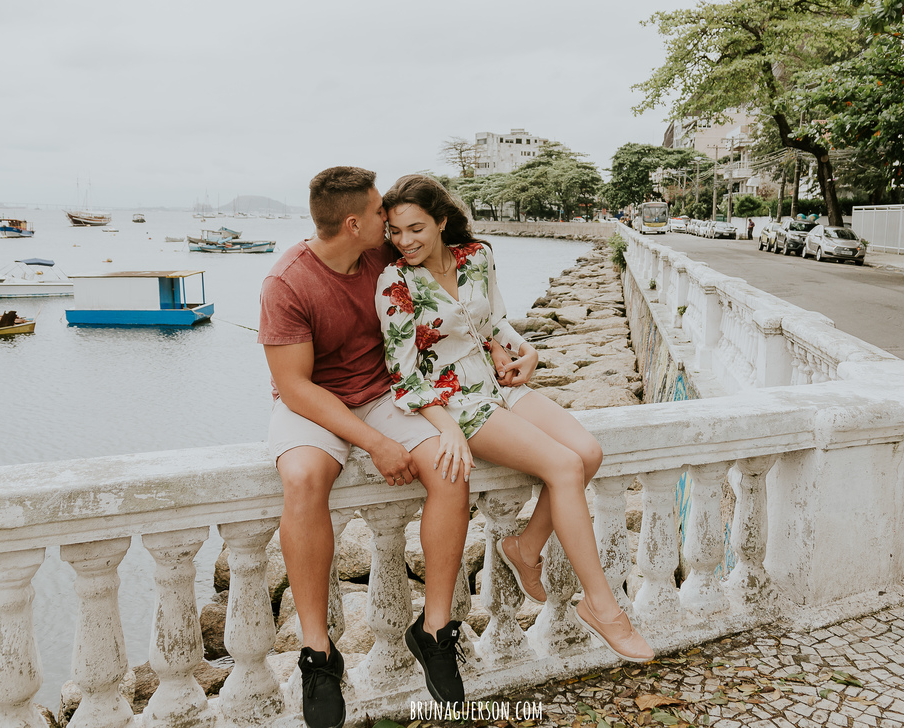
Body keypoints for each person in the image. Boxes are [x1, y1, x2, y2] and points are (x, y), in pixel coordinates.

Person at [375, 174, 654, 670]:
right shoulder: (395, 283)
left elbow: (492, 321)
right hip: (455, 400)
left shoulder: (476, 256)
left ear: (441, 221)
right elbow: (404, 378)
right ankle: (603, 606)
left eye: (415, 228)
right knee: (565, 467)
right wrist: (447, 428)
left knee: (588, 452)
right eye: (395, 232)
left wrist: (526, 348)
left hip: (499, 384)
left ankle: (525, 548)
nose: (405, 241)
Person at [259, 167, 470, 727]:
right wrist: (374, 443)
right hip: (314, 404)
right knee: (303, 479)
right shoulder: (287, 282)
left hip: (384, 392)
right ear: (353, 224)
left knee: (450, 471)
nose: (391, 222)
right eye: (381, 213)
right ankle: (319, 655)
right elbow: (297, 385)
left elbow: (453, 301)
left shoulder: (384, 256)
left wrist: (504, 350)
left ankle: (435, 630)